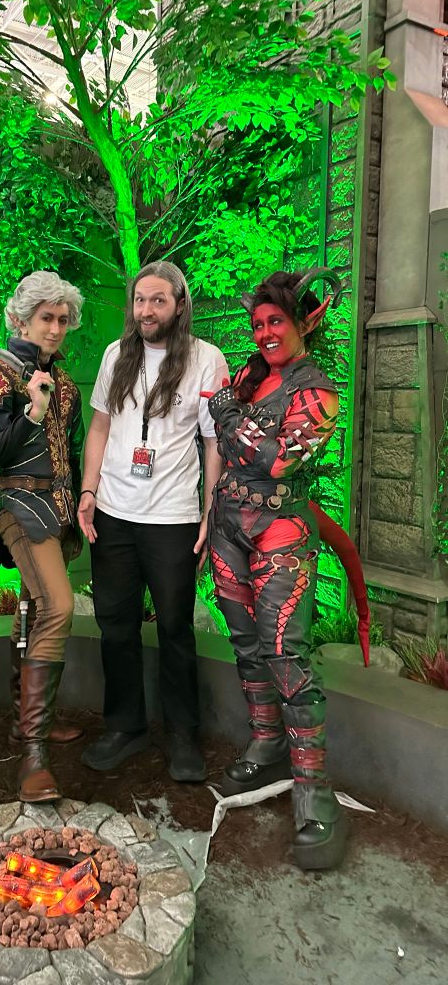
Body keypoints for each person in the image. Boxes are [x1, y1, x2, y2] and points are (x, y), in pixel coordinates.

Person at [206, 268, 348, 870]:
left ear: (302, 324)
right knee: (244, 643)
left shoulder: (318, 392)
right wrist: (243, 429)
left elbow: (278, 461)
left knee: (286, 651)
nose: (264, 332)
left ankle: (313, 789)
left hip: (281, 531)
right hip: (228, 525)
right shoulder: (250, 376)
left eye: (275, 322)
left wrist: (230, 420)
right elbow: (243, 440)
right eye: (258, 323)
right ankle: (264, 740)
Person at [77, 260, 228, 781]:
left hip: (172, 519)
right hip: (114, 516)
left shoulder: (207, 359)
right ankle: (126, 727)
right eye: (140, 300)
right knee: (114, 625)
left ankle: (183, 737)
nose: (146, 309)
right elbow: (99, 427)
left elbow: (213, 442)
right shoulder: (116, 355)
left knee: (175, 629)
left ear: (179, 304)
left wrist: (211, 510)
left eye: (158, 299)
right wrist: (88, 490)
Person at [0, 271, 84, 803]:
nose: (56, 329)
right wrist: (31, 412)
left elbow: (74, 452)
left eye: (63, 320)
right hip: (19, 504)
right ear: (20, 318)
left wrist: (82, 506)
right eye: (46, 318)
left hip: (58, 507)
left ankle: (26, 721)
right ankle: (33, 756)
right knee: (60, 606)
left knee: (35, 611)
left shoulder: (65, 383)